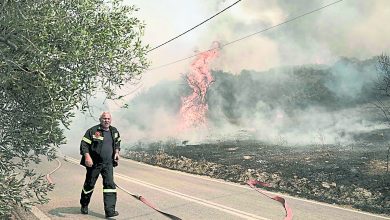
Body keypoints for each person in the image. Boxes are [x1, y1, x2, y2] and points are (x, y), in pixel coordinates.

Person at [79, 112, 121, 218]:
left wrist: (116, 152)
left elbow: (117, 142)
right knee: (89, 185)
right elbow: (84, 145)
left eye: (108, 118)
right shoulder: (93, 131)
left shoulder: (114, 131)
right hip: (94, 164)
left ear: (111, 120)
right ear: (100, 119)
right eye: (104, 118)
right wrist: (87, 157)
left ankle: (109, 211)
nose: (106, 120)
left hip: (108, 164)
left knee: (110, 186)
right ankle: (84, 205)